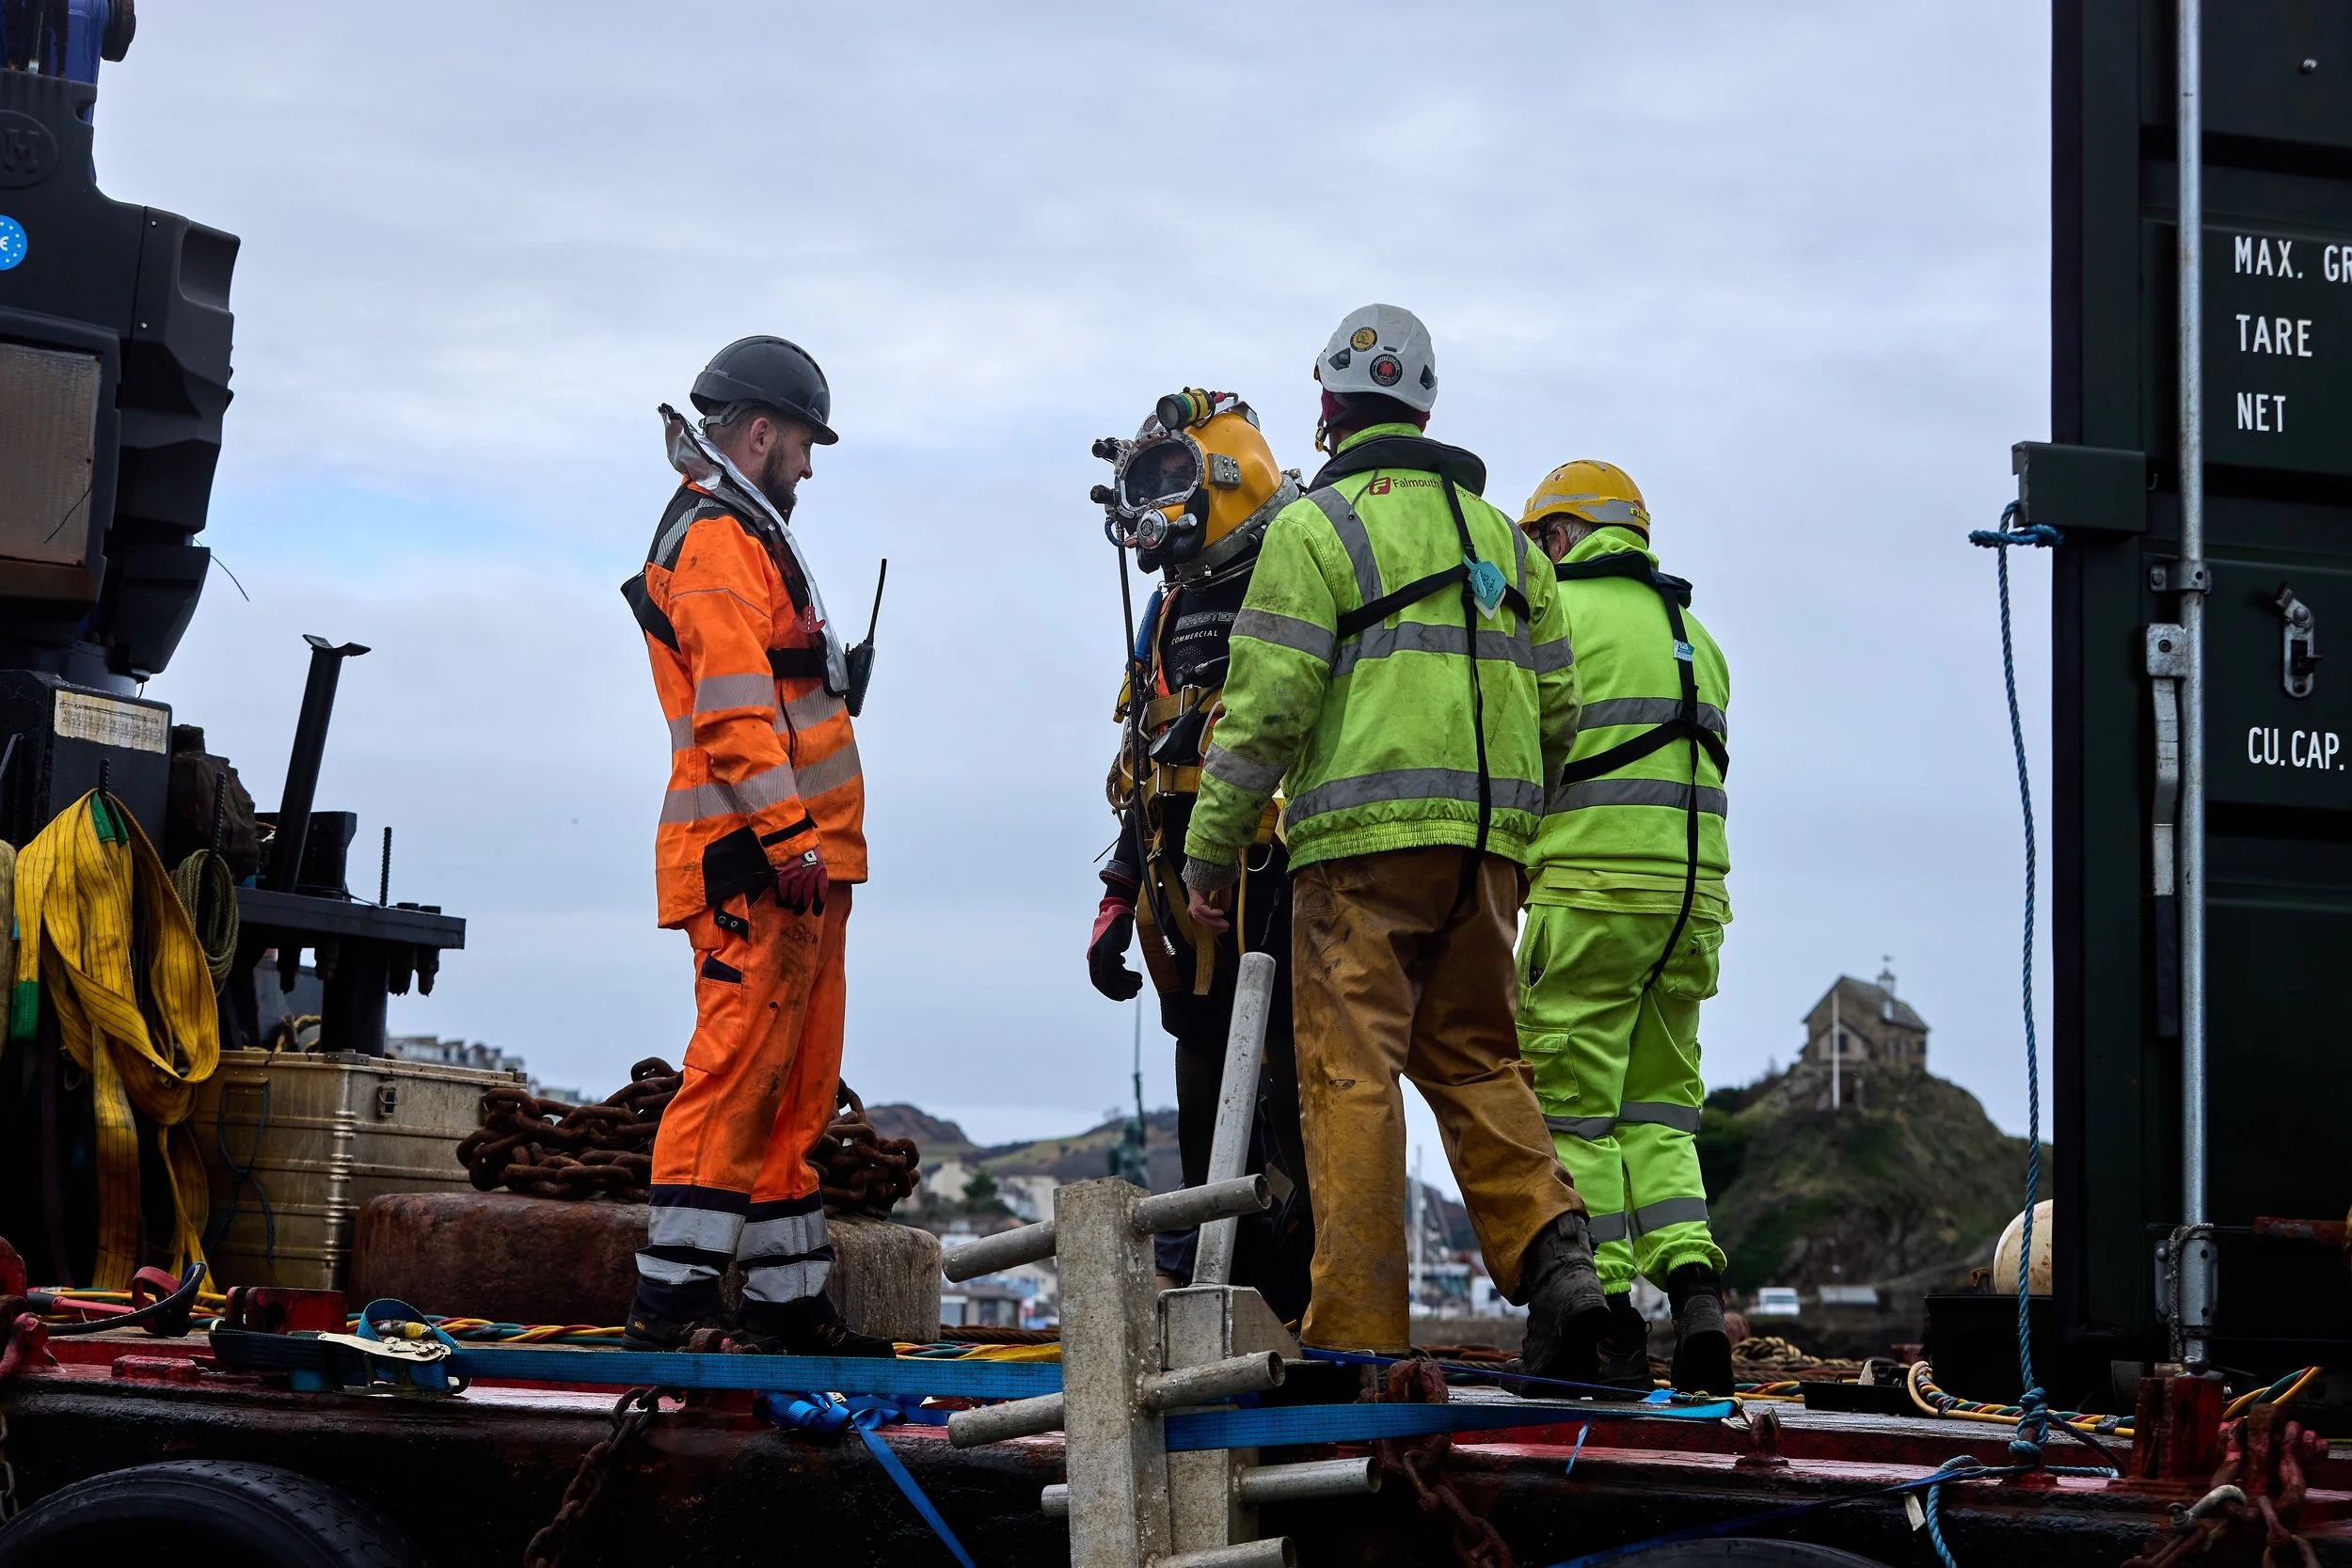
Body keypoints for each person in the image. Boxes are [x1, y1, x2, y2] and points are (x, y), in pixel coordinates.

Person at [1178, 304, 1608, 1377]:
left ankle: (1358, 1331)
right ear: (1424, 408)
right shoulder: (1507, 539)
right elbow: (1561, 707)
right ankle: (1564, 1271)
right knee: (1478, 1059)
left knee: (1350, 1071)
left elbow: (1264, 709)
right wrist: (1511, 829)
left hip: (1360, 851)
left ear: (1325, 411)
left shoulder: (1313, 531)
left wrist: (1207, 850)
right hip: (1487, 852)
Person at [616, 336, 889, 1357]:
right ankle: (672, 1305)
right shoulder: (721, 538)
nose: (810, 465)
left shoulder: (745, 532)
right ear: (762, 432)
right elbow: (733, 713)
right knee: (734, 1071)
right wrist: (787, 837)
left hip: (799, 865)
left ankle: (784, 1301)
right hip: (758, 858)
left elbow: (767, 693)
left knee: (794, 1084)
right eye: (806, 443)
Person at [1087, 388, 1314, 1319]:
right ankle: (1210, 1291)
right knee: (1200, 1076)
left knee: (1293, 1089)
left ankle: (1300, 1298)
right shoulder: (1169, 609)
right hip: (1181, 896)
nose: (1158, 505)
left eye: (1174, 478)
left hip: (1279, 879)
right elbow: (1141, 755)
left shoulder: (1294, 578)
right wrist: (1115, 894)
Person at [1515, 460, 1733, 1395]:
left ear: (1561, 536)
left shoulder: (1560, 621)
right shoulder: (1699, 634)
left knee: (1572, 1110)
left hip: (1592, 895)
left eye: (1536, 543)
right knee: (1657, 1109)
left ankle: (1601, 1321)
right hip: (1693, 904)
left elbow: (1523, 755)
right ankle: (1696, 1295)